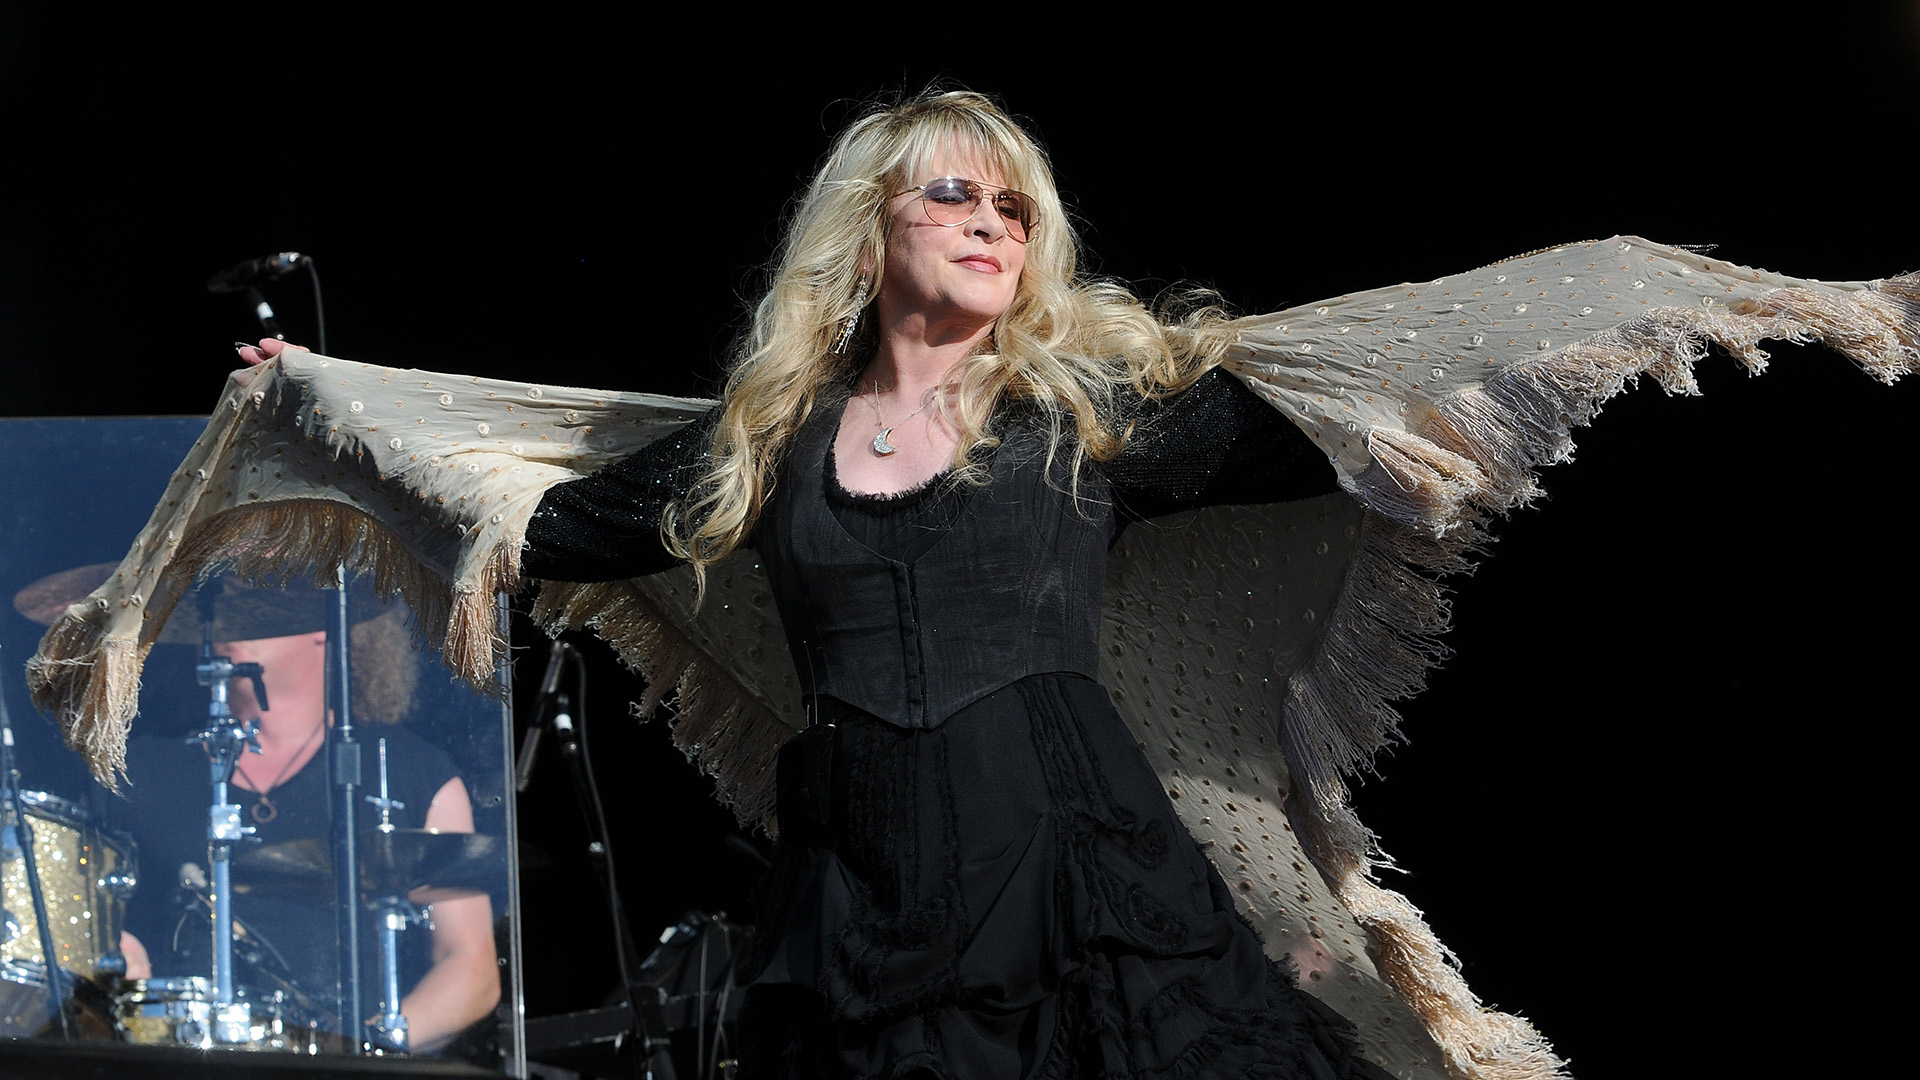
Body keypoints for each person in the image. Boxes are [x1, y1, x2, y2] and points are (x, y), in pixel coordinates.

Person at [68, 89, 1911, 1079]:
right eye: (957, 192)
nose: (993, 221)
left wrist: (1635, 286)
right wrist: (305, 409)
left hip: (1067, 859)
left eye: (1017, 206)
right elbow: (534, 526)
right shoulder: (756, 448)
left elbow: (1376, 388)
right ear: (872, 226)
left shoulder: (1092, 419)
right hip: (854, 886)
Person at [111, 617, 500, 1054]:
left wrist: (357, 1048)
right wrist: (109, 962)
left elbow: (470, 967)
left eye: (257, 600)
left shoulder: (410, 771)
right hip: (173, 1056)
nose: (228, 616)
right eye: (219, 601)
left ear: (322, 624)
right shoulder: (132, 773)